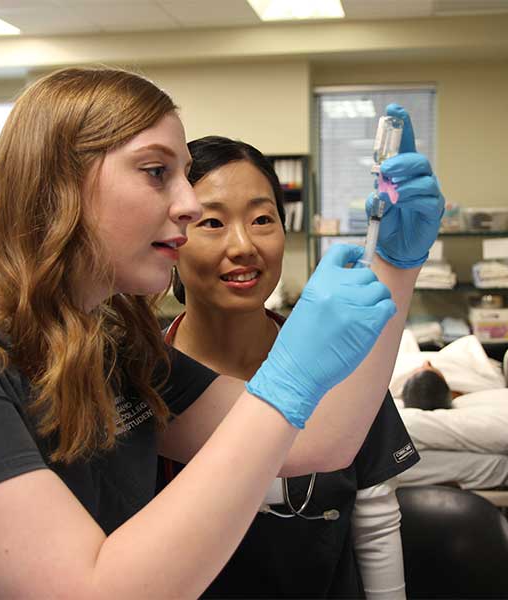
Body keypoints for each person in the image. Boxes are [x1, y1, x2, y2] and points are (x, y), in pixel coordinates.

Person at [0, 67, 442, 599]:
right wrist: (289, 376)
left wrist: (396, 266)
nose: (188, 205)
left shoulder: (108, 342)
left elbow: (323, 439)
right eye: (156, 172)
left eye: (183, 174)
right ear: (56, 184)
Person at [160, 135, 420, 599]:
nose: (243, 245)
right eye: (212, 222)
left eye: (263, 219)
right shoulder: (145, 380)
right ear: (171, 237)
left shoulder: (342, 361)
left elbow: (376, 517)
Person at [391, 329, 507, 409]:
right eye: (430, 367)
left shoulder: (393, 386)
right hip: (456, 361)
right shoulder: (471, 387)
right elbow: (492, 383)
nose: (426, 362)